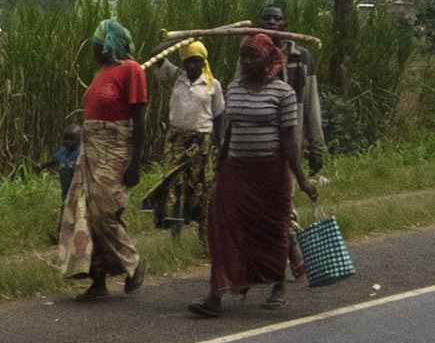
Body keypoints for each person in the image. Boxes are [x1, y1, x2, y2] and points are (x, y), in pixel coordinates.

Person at [188, 31, 318, 316]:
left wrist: (302, 180)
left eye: (253, 56)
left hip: (270, 174)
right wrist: (221, 164)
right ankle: (216, 294)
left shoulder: (283, 93)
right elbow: (230, 129)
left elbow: (289, 141)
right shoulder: (234, 88)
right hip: (236, 171)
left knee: (273, 230)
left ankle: (278, 287)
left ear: (268, 59)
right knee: (223, 227)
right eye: (243, 56)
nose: (246, 62)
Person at [58, 18, 147, 301]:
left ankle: (133, 262)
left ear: (108, 45)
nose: (93, 50)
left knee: (104, 213)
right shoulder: (103, 73)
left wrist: (136, 163)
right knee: (84, 214)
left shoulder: (131, 70)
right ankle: (98, 281)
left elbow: (139, 120)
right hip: (92, 152)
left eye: (96, 45)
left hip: (114, 151)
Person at [258, 3, 327, 281]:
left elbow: (311, 102)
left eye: (277, 19)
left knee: (282, 202)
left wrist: (316, 145)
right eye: (266, 19)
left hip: (291, 142)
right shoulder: (253, 53)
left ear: (285, 24)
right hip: (260, 141)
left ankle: (290, 260)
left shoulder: (301, 57)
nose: (271, 23)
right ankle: (281, 261)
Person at [149, 40, 223, 241]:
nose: (191, 65)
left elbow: (218, 117)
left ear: (203, 62)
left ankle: (204, 234)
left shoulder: (213, 84)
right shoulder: (176, 76)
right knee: (174, 184)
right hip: (176, 140)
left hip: (201, 142)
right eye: (188, 61)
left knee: (200, 187)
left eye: (196, 61)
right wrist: (180, 40)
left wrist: (221, 144)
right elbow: (156, 53)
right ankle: (175, 235)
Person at [41, 124, 84, 200]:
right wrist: (41, 167)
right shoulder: (62, 152)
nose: (68, 142)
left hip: (77, 187)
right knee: (64, 201)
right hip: (65, 186)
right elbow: (53, 161)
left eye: (72, 139)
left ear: (79, 139)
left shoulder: (81, 154)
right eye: (66, 139)